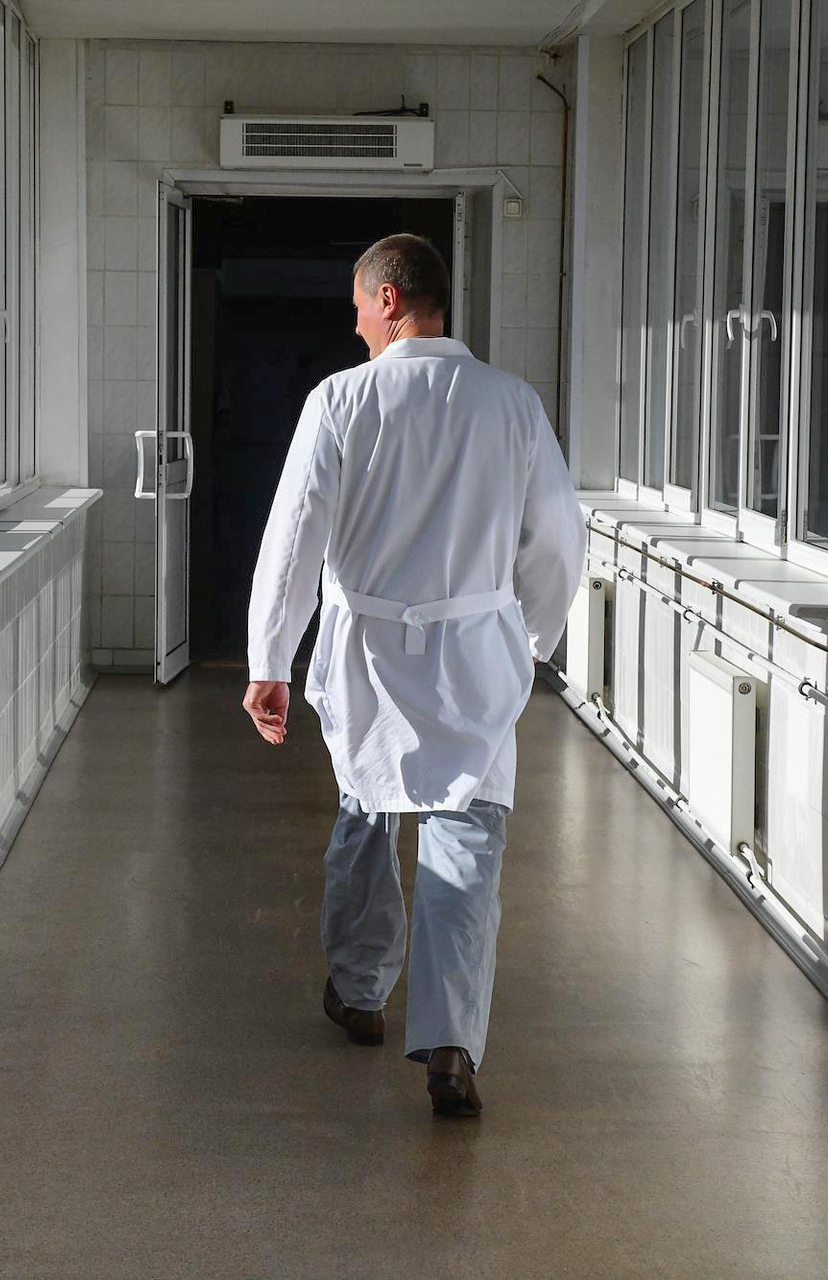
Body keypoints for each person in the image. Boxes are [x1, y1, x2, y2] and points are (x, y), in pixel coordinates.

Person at [242, 233, 586, 1117]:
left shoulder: (341, 400)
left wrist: (270, 659)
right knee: (468, 834)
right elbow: (557, 537)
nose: (355, 322)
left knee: (367, 811)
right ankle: (451, 1046)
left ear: (390, 299)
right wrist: (532, 639)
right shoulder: (512, 403)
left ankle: (361, 994)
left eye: (360, 305)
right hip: (474, 651)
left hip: (366, 651)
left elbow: (294, 536)